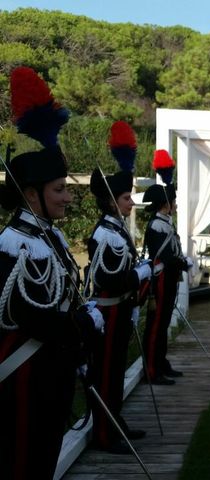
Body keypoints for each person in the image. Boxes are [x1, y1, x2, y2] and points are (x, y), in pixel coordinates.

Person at [0, 66, 103, 479]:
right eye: (59, 189)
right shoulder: (12, 245)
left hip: (52, 370)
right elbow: (32, 316)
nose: (67, 198)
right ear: (31, 195)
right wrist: (82, 325)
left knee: (43, 459)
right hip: (26, 375)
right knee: (24, 461)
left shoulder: (49, 240)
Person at [85, 121, 151, 454]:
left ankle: (114, 421)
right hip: (108, 316)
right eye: (126, 198)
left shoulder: (117, 230)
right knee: (107, 374)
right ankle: (104, 433)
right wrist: (140, 274)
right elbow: (109, 279)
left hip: (121, 311)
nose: (131, 203)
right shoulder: (105, 234)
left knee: (115, 372)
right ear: (112, 202)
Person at [142, 150, 191, 385]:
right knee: (156, 326)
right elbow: (167, 257)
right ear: (166, 204)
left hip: (169, 278)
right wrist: (184, 262)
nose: (175, 205)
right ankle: (152, 368)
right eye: (173, 202)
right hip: (161, 279)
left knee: (162, 324)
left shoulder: (165, 222)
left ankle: (161, 362)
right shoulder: (157, 225)